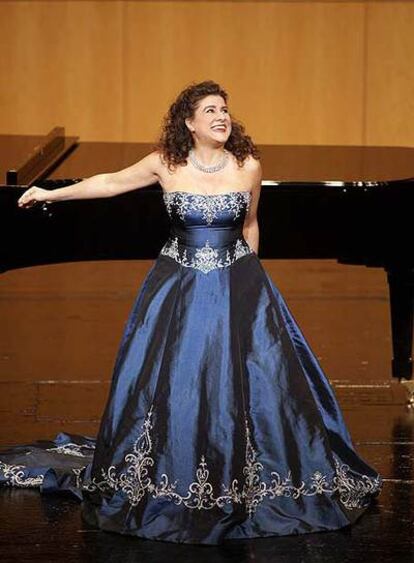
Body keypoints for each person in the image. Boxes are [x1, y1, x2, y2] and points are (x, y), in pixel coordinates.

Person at [1, 80, 382, 545]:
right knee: (178, 381)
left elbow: (250, 225)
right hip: (178, 289)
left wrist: (250, 289)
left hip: (235, 284)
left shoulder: (247, 165)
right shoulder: (166, 162)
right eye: (210, 110)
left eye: (224, 109)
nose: (221, 116)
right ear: (189, 122)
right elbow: (111, 182)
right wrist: (49, 193)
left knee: (245, 384)